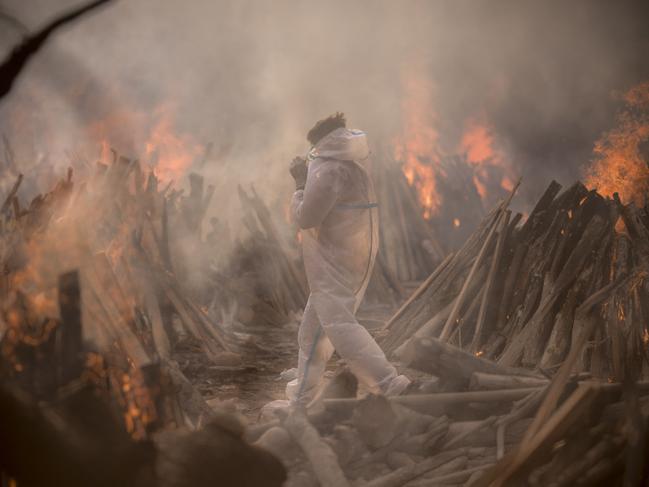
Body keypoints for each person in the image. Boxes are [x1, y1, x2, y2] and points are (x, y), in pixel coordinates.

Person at [287, 112, 410, 405]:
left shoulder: (328, 170)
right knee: (312, 332)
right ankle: (303, 395)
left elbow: (307, 218)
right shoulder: (353, 165)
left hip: (334, 262)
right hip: (347, 258)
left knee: (340, 327)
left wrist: (299, 184)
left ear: (321, 143)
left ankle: (389, 383)